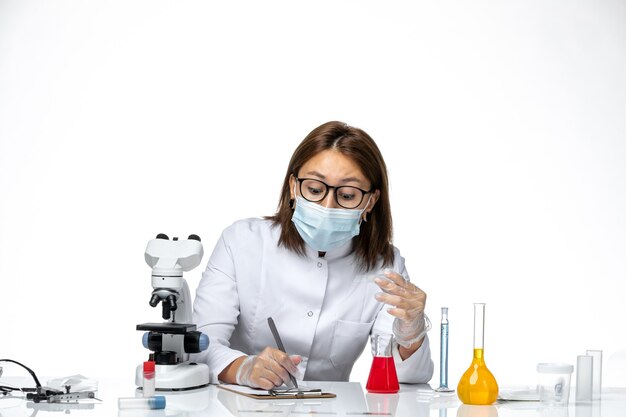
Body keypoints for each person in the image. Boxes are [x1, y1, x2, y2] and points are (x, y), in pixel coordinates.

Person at [192, 121, 433, 389]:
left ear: (370, 201)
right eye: (315, 190)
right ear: (294, 186)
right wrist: (244, 369)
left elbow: (404, 379)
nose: (328, 205)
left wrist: (411, 333)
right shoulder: (242, 242)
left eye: (348, 195)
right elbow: (201, 344)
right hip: (241, 406)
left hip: (332, 409)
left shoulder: (385, 265)